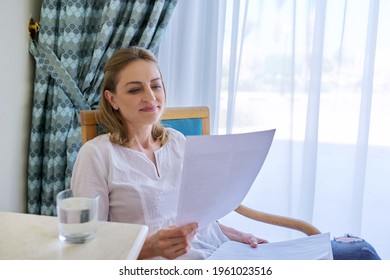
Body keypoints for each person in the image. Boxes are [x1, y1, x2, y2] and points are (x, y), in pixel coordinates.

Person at [71, 46, 381, 260]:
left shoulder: (178, 142)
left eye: (156, 85)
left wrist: (238, 235)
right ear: (112, 98)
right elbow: (86, 249)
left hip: (217, 251)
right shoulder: (97, 155)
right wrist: (150, 248)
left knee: (361, 253)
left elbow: (198, 219)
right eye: (135, 89)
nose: (151, 97)